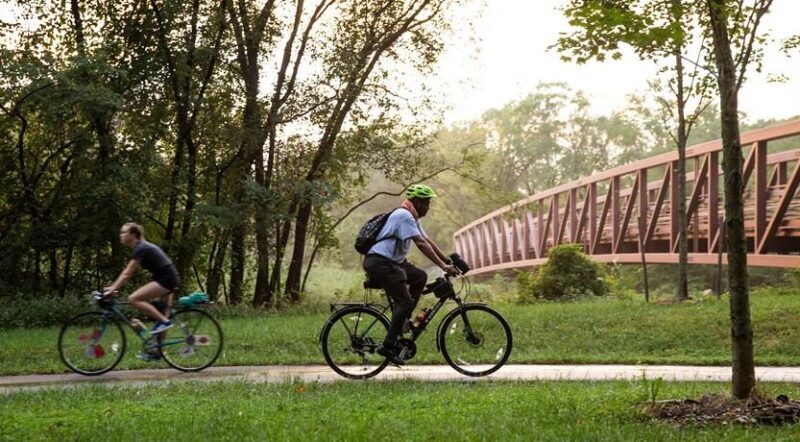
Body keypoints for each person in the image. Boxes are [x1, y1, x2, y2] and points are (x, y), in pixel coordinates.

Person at [363, 184, 458, 365]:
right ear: (417, 202)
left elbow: (427, 241)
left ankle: (403, 320)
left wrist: (447, 260)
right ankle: (388, 346)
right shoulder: (404, 216)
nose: (428, 207)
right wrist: (443, 266)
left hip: (391, 261)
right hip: (380, 262)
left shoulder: (412, 217)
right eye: (426, 203)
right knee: (404, 302)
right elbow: (420, 244)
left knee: (420, 277)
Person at [104, 223, 180, 339]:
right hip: (167, 277)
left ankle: (165, 322)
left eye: (124, 232)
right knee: (162, 312)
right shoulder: (141, 247)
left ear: (133, 235)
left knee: (134, 298)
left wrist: (113, 288)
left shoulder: (141, 248)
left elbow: (127, 273)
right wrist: (113, 287)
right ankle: (157, 347)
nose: (121, 235)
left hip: (167, 279)